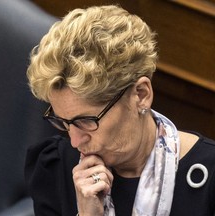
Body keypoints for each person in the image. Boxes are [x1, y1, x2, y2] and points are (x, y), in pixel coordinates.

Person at [25, 5, 215, 216]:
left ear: (141, 95)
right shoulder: (58, 167)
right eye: (64, 122)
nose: (75, 141)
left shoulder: (210, 180)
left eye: (86, 121)